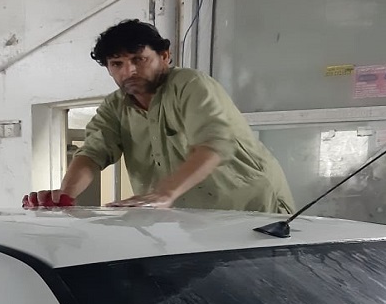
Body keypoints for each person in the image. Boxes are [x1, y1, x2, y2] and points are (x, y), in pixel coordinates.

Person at [23, 19, 295, 213]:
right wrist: (63, 197)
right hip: (185, 223)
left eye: (138, 59)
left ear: (165, 56)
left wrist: (164, 194)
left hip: (253, 214)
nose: (129, 71)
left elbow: (213, 145)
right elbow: (92, 154)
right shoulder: (114, 107)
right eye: (117, 64)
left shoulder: (189, 85)